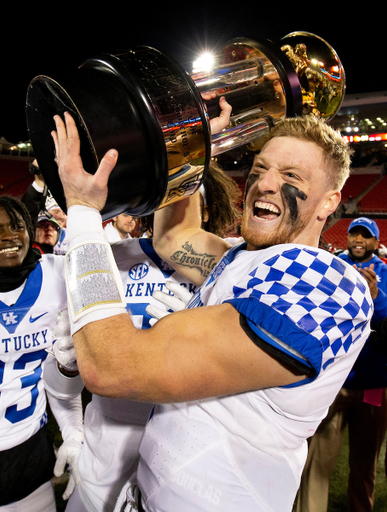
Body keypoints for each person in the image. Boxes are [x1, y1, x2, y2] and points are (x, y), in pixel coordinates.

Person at [51, 106, 372, 512]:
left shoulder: (325, 281)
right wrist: (191, 143)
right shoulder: (239, 258)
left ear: (329, 202)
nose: (265, 184)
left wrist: (82, 213)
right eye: (259, 168)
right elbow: (173, 234)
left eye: (291, 176)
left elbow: (112, 365)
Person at [49, 162, 241, 512]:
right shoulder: (108, 256)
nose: (171, 205)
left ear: (209, 207)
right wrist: (64, 367)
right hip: (97, 471)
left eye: (184, 193)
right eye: (164, 194)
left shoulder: (235, 266)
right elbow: (64, 383)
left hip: (182, 478)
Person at [296, 217, 387, 512]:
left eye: (366, 235)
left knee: (364, 464)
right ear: (347, 238)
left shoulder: (385, 271)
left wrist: (377, 298)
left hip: (373, 382)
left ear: (375, 242)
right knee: (316, 463)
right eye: (354, 234)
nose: (359, 240)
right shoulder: (331, 264)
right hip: (335, 382)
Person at [0, 196, 83, 512]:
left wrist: (74, 432)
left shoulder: (58, 275)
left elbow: (60, 380)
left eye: (17, 225)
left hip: (30, 452)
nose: (9, 236)